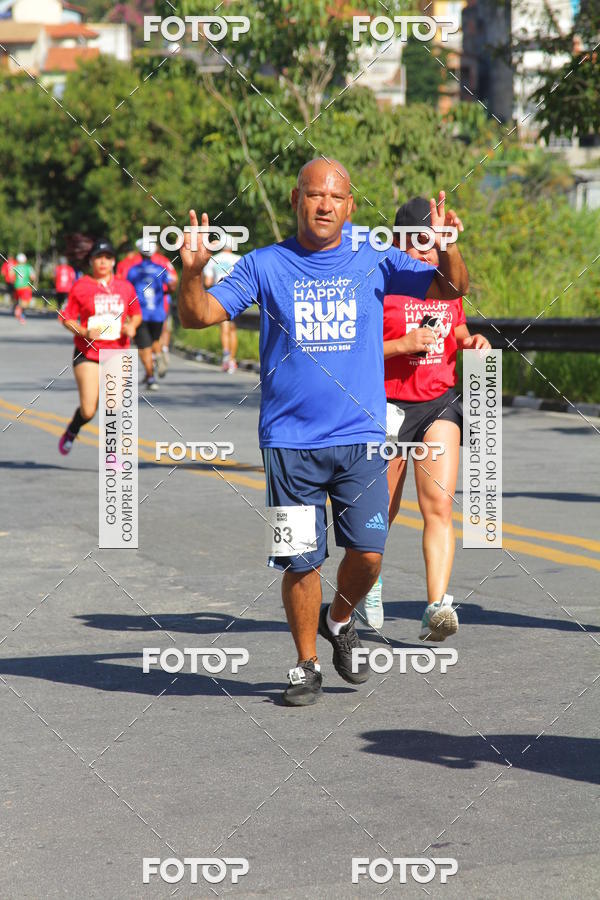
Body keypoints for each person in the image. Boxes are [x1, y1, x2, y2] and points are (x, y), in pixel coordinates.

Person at [178, 159, 469, 706]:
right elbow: (198, 316)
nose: (325, 205)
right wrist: (191, 273)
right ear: (296, 200)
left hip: (361, 438)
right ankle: (306, 662)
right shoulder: (266, 265)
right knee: (301, 560)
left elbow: (449, 289)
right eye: (314, 195)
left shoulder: (375, 258)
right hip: (289, 444)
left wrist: (448, 245)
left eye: (336, 197)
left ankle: (340, 619)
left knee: (369, 552)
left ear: (351, 205)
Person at [358, 196, 490, 639]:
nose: (426, 252)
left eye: (432, 244)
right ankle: (369, 584)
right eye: (417, 243)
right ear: (397, 243)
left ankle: (436, 606)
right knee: (384, 510)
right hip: (389, 406)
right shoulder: (379, 284)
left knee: (438, 507)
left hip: (438, 404)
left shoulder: (442, 286)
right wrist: (401, 345)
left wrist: (473, 346)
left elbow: (460, 332)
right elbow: (353, 357)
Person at [57, 238, 142, 455]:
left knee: (114, 407)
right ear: (91, 261)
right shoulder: (81, 286)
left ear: (114, 261)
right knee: (88, 410)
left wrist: (131, 327)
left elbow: (136, 315)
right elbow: (67, 318)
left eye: (108, 257)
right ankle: (73, 429)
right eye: (99, 257)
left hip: (117, 352)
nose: (103, 262)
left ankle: (112, 455)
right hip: (88, 352)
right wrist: (84, 332)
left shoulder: (125, 287)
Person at [126, 241, 176, 391]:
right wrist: (165, 292)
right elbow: (172, 284)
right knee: (154, 341)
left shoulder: (133, 270)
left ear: (140, 253)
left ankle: (150, 376)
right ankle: (159, 355)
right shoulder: (160, 269)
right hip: (158, 313)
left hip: (140, 314)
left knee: (144, 348)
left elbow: (126, 289)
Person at [202, 236, 241, 373]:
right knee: (233, 329)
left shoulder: (213, 259)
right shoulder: (239, 259)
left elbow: (207, 282)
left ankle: (226, 357)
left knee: (224, 326)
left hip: (219, 297)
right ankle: (232, 359)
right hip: (237, 297)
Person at [12, 253, 35, 324]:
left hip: (17, 287)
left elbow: (11, 275)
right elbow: (33, 277)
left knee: (17, 300)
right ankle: (21, 314)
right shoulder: (28, 267)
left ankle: (17, 308)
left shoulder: (15, 267)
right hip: (25, 287)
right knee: (25, 303)